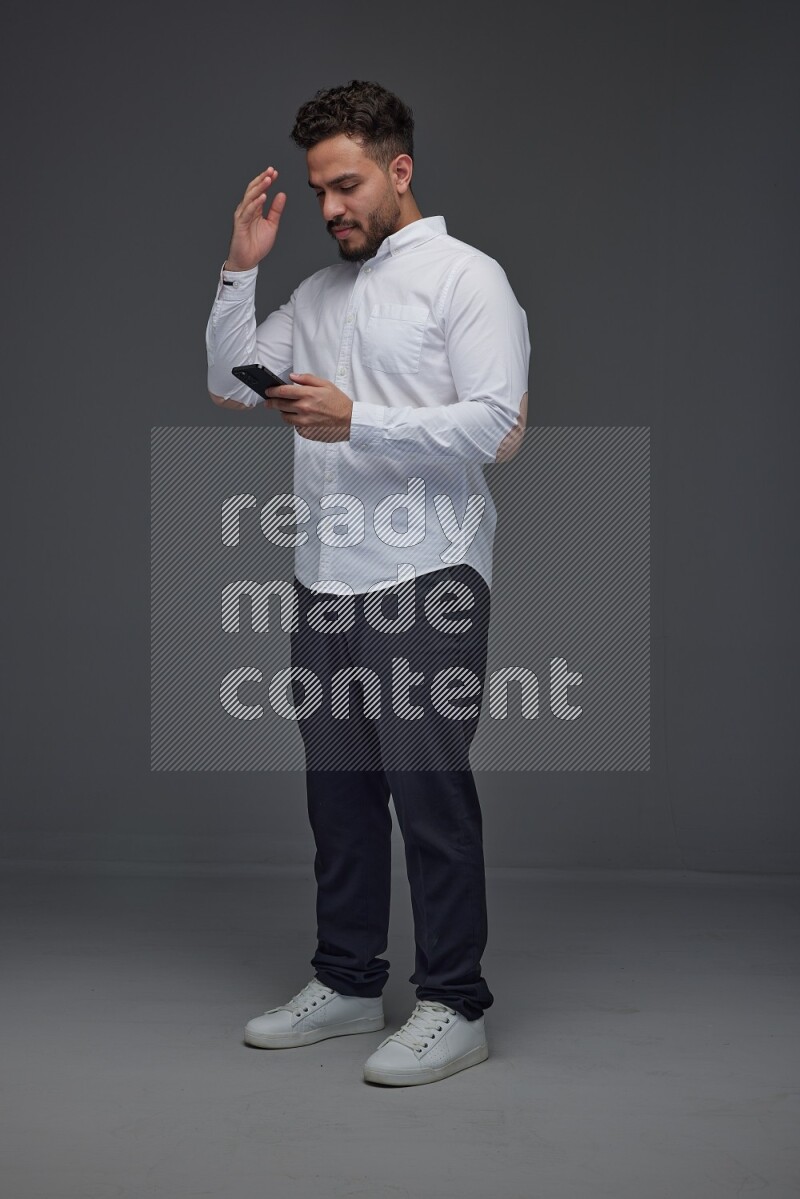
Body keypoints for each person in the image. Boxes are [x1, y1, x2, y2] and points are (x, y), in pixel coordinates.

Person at [205, 79, 531, 1087]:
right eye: (317, 191)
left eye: (346, 184)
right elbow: (229, 383)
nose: (331, 207)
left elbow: (498, 426)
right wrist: (237, 272)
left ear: (398, 169)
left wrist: (363, 420)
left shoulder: (467, 279)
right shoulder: (314, 295)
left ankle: (454, 1000)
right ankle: (347, 980)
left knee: (426, 793)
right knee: (337, 793)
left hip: (426, 575)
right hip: (323, 579)